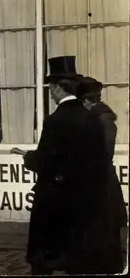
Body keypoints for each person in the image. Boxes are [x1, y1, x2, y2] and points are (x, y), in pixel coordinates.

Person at [23, 56, 115, 275]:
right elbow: (99, 158)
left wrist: (28, 158)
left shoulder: (55, 120)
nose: (51, 93)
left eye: (51, 88)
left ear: (56, 89)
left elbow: (44, 160)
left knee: (45, 256)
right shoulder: (93, 118)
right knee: (75, 256)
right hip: (83, 199)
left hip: (54, 198)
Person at [76, 76, 126, 272]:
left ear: (87, 101)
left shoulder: (100, 122)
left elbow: (100, 154)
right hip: (102, 182)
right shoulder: (103, 120)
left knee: (103, 238)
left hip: (100, 184)